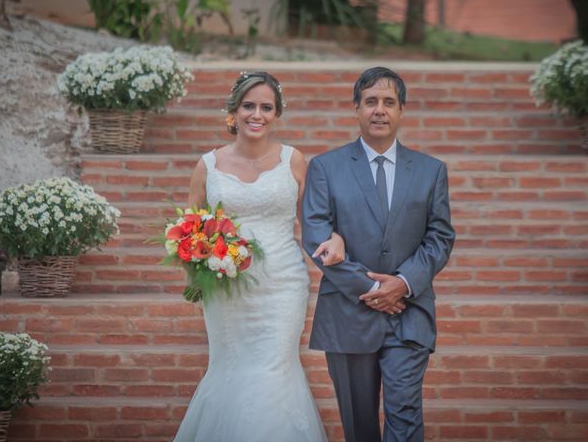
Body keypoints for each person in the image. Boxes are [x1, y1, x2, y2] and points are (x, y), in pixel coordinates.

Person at [174, 71, 342, 441]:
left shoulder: (293, 161)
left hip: (283, 285)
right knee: (229, 366)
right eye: (249, 106)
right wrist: (200, 272)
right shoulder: (208, 165)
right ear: (233, 111)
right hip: (225, 287)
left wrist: (336, 239)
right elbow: (191, 230)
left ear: (277, 114)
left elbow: (314, 222)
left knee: (274, 368)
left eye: (267, 107)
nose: (257, 114)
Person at [301, 66, 456, 442]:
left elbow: (440, 236)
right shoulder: (326, 167)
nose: (379, 110)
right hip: (348, 313)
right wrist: (371, 289)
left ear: (402, 111)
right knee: (360, 427)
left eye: (389, 102)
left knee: (405, 413)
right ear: (357, 109)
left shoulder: (431, 170)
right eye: (370, 101)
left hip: (409, 311)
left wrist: (402, 284)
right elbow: (316, 235)